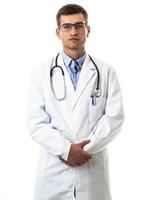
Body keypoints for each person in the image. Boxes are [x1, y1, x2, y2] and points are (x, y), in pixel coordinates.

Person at [27, 3, 124, 200]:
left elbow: (114, 118)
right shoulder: (41, 72)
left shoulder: (106, 72)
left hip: (91, 170)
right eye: (67, 27)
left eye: (79, 26)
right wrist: (66, 150)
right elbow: (35, 122)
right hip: (54, 172)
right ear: (58, 32)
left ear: (88, 30)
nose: (73, 31)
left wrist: (82, 151)